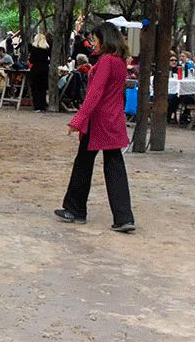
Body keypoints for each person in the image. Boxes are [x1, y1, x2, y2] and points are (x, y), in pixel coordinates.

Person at [55, 22, 136, 232]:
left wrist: (78, 120)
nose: (93, 43)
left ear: (104, 39)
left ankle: (75, 209)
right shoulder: (120, 61)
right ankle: (123, 217)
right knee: (114, 165)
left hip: (98, 120)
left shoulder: (107, 61)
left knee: (83, 163)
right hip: (113, 119)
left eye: (95, 39)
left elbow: (95, 93)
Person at [28, 32, 51, 112]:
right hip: (45, 69)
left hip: (36, 69)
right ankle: (43, 105)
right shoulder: (47, 49)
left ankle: (37, 106)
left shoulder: (34, 49)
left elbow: (31, 60)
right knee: (43, 88)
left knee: (35, 88)